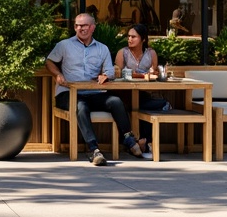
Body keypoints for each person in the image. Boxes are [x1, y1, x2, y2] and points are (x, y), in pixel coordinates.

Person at [45, 12, 145, 165]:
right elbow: (49, 62)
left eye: (84, 25)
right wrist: (57, 74)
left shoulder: (102, 49)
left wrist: (105, 75)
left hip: (94, 92)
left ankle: (129, 140)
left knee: (116, 101)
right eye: (77, 26)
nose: (80, 28)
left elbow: (110, 71)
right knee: (81, 106)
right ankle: (94, 150)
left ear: (92, 27)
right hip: (68, 93)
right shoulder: (64, 45)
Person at [115, 24, 171, 157]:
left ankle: (142, 141)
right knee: (159, 104)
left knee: (145, 108)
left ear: (143, 39)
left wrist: (154, 72)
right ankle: (145, 141)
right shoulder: (122, 53)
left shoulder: (151, 53)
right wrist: (142, 75)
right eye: (128, 36)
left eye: (133, 37)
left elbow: (154, 72)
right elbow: (119, 73)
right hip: (125, 93)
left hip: (144, 92)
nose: (129, 39)